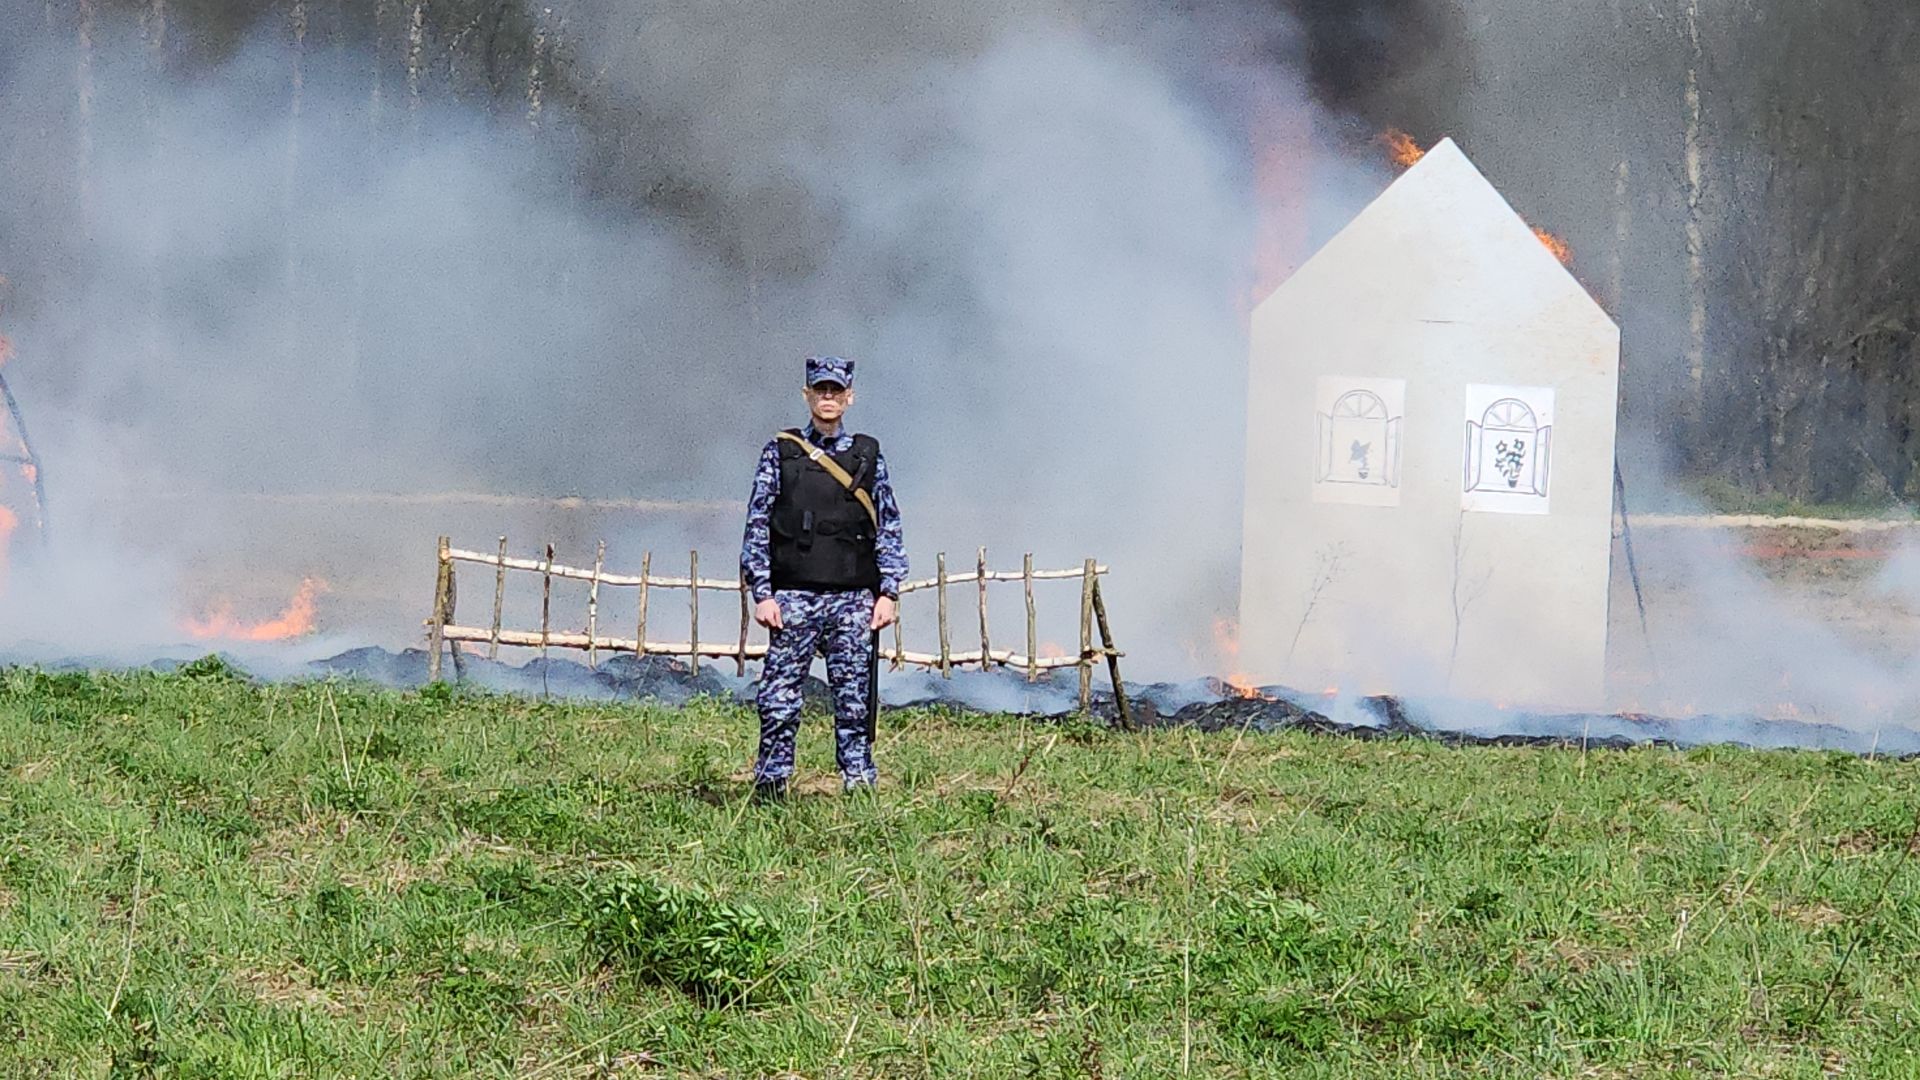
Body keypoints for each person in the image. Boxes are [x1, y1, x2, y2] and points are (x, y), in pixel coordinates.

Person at [740, 355, 906, 796]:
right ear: (807, 395)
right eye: (820, 390)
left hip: (853, 599)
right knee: (778, 700)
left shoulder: (867, 454)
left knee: (854, 702)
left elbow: (887, 523)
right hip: (793, 596)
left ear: (849, 396)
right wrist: (762, 592)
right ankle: (771, 784)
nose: (828, 397)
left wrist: (888, 591)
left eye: (836, 390)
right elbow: (758, 521)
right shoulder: (782, 451)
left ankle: (858, 786)